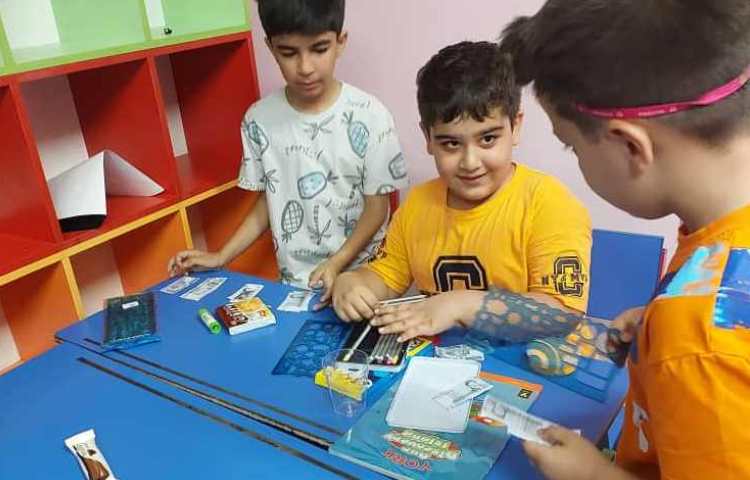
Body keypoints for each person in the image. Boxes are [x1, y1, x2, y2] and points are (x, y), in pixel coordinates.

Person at [497, 1, 750, 478]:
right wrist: (661, 320)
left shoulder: (699, 339)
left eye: (572, 145)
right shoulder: (717, 242)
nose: (575, 158)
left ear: (630, 145)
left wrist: (594, 474)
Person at [333, 41, 592, 345]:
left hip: (520, 366)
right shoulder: (417, 204)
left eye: (488, 139)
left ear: (516, 126)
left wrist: (461, 305)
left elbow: (562, 314)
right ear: (428, 137)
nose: (470, 162)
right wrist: (353, 283)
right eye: (451, 144)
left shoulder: (550, 205)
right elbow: (384, 276)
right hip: (437, 364)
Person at [168, 0, 408, 308]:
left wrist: (336, 263)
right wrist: (221, 256)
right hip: (294, 286)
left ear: (340, 42)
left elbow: (377, 209)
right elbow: (270, 200)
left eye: (319, 49)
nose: (305, 67)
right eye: (289, 52)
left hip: (361, 281)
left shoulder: (371, 115)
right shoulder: (258, 120)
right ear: (270, 48)